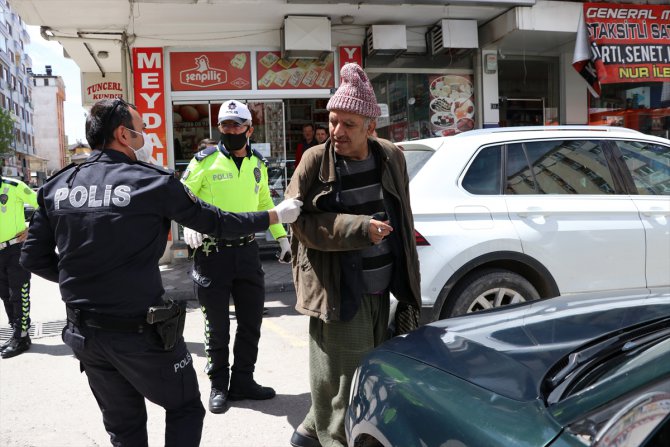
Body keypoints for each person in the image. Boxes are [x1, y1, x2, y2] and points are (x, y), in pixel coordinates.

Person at [19, 98, 302, 447]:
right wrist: (274, 217)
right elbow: (216, 221)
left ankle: (242, 379)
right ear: (123, 135)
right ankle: (222, 382)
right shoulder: (151, 182)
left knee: (124, 429)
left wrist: (83, 282)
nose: (146, 137)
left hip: (84, 333)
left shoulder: (57, 186)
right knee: (184, 407)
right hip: (139, 329)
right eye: (141, 129)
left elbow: (33, 258)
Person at [286, 63, 421, 447]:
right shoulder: (315, 161)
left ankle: (307, 434)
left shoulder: (391, 157)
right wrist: (358, 228)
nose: (337, 131)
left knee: (365, 374)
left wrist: (409, 280)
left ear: (370, 127)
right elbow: (300, 224)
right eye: (333, 121)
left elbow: (404, 216)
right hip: (339, 288)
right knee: (346, 382)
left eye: (348, 124)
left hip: (383, 288)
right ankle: (333, 440)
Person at [180, 99, 291, 415]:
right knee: (217, 328)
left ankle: (243, 380)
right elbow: (181, 197)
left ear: (249, 130)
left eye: (236, 125)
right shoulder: (205, 161)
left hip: (247, 252)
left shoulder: (258, 163)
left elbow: (264, 201)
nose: (230, 131)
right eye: (225, 126)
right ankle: (218, 385)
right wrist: (189, 224)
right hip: (212, 254)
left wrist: (282, 237)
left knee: (251, 323)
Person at [0, 175, 38, 359]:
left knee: (18, 293)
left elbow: (43, 206)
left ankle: (21, 337)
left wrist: (32, 229)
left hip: (15, 249)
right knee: (5, 294)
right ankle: (16, 333)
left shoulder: (14, 186)